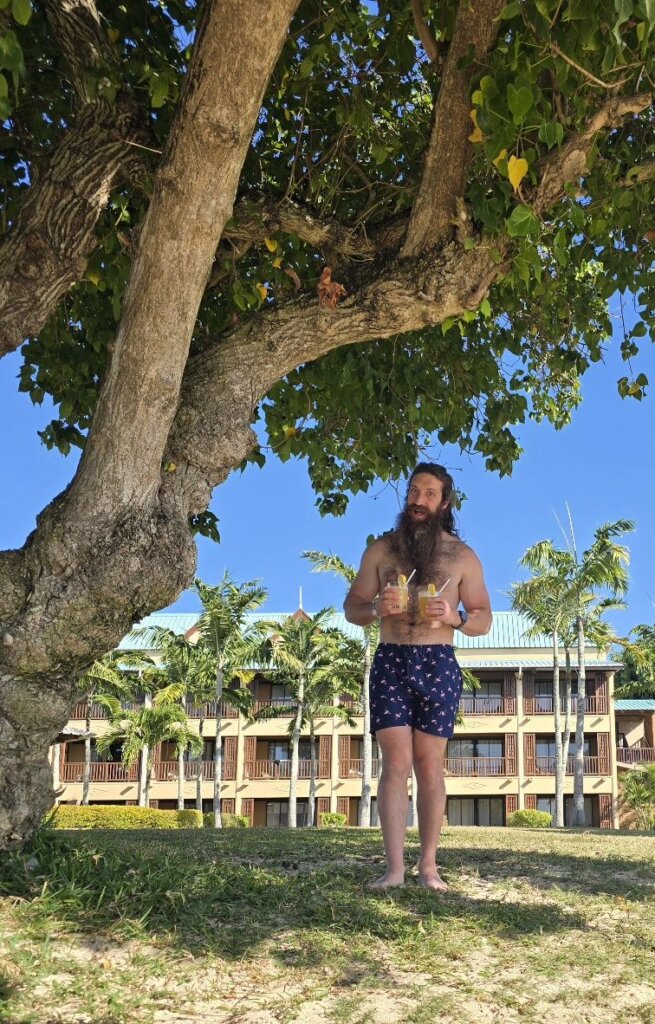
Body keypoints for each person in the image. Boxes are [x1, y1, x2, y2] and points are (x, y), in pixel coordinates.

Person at [344, 463, 492, 891]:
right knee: (395, 763)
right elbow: (353, 607)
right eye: (413, 491)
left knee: (429, 765)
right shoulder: (382, 550)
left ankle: (428, 867)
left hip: (438, 661)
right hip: (391, 659)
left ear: (444, 503)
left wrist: (455, 617)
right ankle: (394, 870)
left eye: (429, 494)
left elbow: (483, 617)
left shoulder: (462, 557)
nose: (418, 500)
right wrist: (375, 610)